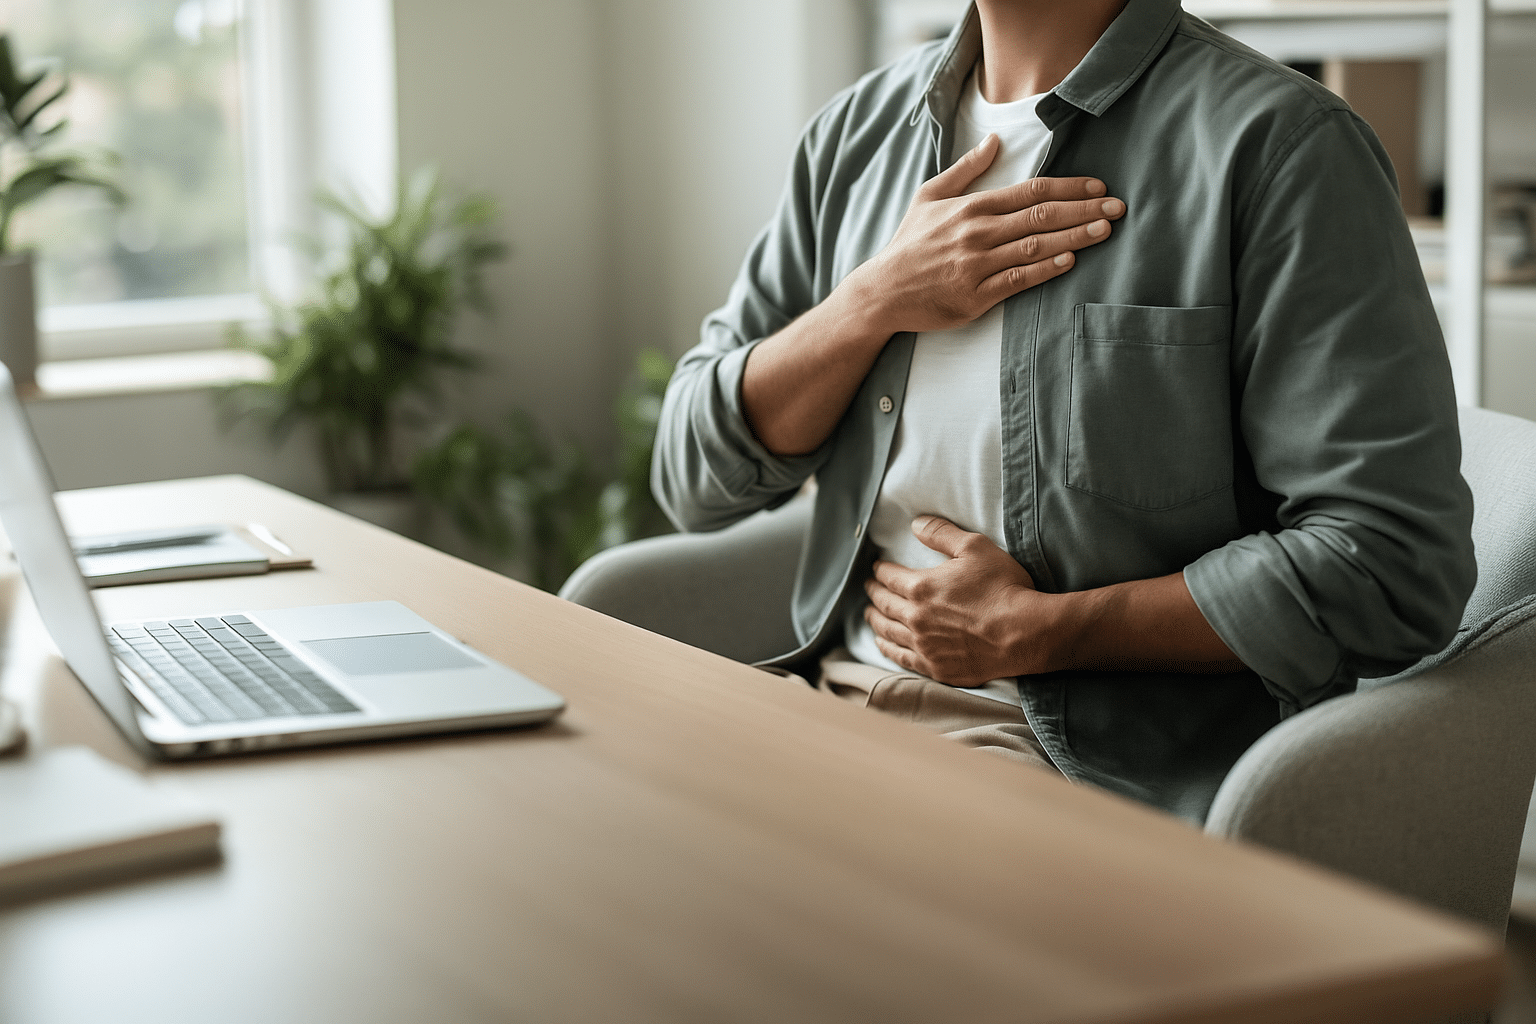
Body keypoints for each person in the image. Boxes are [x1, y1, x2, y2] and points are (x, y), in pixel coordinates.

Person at [651, 0, 1476, 822]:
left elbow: (1391, 564)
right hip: (823, 707)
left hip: (1083, 772)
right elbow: (693, 475)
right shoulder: (854, 137)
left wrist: (1048, 631)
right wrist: (872, 300)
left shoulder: (1283, 147)